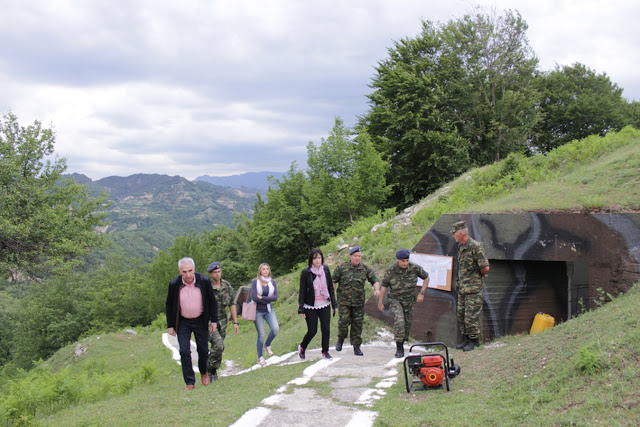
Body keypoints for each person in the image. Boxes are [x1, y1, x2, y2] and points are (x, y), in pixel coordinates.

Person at [165, 257, 218, 390]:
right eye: (184, 272)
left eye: (190, 271)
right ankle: (190, 381)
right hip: (183, 321)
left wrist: (214, 321)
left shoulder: (204, 281)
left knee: (203, 350)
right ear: (179, 271)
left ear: (194, 269)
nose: (188, 275)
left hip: (201, 319)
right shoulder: (174, 284)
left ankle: (204, 372)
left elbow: (212, 301)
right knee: (184, 351)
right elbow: (169, 305)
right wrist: (170, 325)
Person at [377, 249, 430, 358]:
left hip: (409, 300)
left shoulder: (414, 268)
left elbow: (426, 278)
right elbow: (384, 287)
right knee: (399, 321)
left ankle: (403, 339)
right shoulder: (391, 270)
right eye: (403, 261)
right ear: (397, 260)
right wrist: (380, 302)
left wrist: (422, 293)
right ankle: (399, 348)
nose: (405, 263)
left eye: (407, 261)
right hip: (395, 300)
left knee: (407, 324)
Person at [332, 246, 380, 356]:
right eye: (355, 256)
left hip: (358, 303)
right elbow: (333, 281)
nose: (357, 258)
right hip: (344, 301)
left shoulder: (365, 269)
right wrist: (331, 295)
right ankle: (340, 339)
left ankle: (356, 347)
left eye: (359, 256)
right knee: (343, 322)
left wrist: (377, 289)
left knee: (357, 325)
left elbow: (375, 280)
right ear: (351, 256)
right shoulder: (341, 267)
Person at [451, 220, 490, 352]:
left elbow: (485, 268)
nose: (453, 236)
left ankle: (474, 341)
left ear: (461, 233)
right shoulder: (461, 247)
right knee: (461, 315)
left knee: (471, 316)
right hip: (463, 288)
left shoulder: (475, 246)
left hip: (473, 289)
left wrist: (478, 276)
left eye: (454, 233)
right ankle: (466, 339)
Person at [298, 248, 338, 360]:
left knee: (326, 328)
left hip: (324, 303)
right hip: (310, 306)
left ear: (322, 258)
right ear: (311, 259)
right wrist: (301, 308)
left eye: (319, 258)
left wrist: (334, 305)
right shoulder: (306, 272)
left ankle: (325, 351)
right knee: (312, 330)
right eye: (314, 258)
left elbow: (330, 287)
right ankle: (302, 347)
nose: (317, 260)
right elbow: (302, 290)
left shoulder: (325, 269)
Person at [206, 261, 239, 381]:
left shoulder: (226, 286)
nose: (217, 274)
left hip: (222, 322)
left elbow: (232, 303)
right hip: (209, 322)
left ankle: (212, 371)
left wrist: (235, 322)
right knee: (218, 345)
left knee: (219, 348)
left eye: (219, 272)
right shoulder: (206, 286)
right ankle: (209, 369)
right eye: (215, 272)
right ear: (210, 274)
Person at [251, 263, 280, 365]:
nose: (266, 271)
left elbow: (275, 297)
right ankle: (260, 357)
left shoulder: (272, 282)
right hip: (257, 311)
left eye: (267, 269)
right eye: (263, 269)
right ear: (260, 271)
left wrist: (262, 298)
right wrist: (268, 299)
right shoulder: (255, 282)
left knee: (275, 328)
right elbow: (254, 297)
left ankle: (267, 345)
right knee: (261, 334)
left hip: (268, 310)